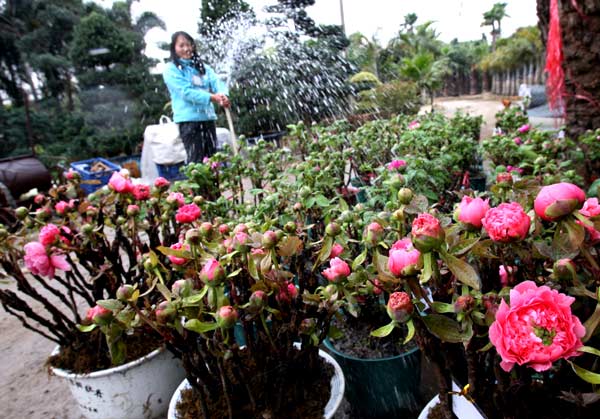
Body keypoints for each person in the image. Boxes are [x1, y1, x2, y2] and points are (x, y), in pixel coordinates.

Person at [163, 31, 230, 163]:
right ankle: (201, 184)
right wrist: (212, 97)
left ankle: (214, 184)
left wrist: (223, 95)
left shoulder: (202, 67)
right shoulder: (171, 70)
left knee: (213, 160)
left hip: (207, 118)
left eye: (189, 45)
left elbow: (217, 81)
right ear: (174, 48)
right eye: (181, 46)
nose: (186, 49)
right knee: (197, 161)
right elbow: (186, 92)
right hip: (189, 121)